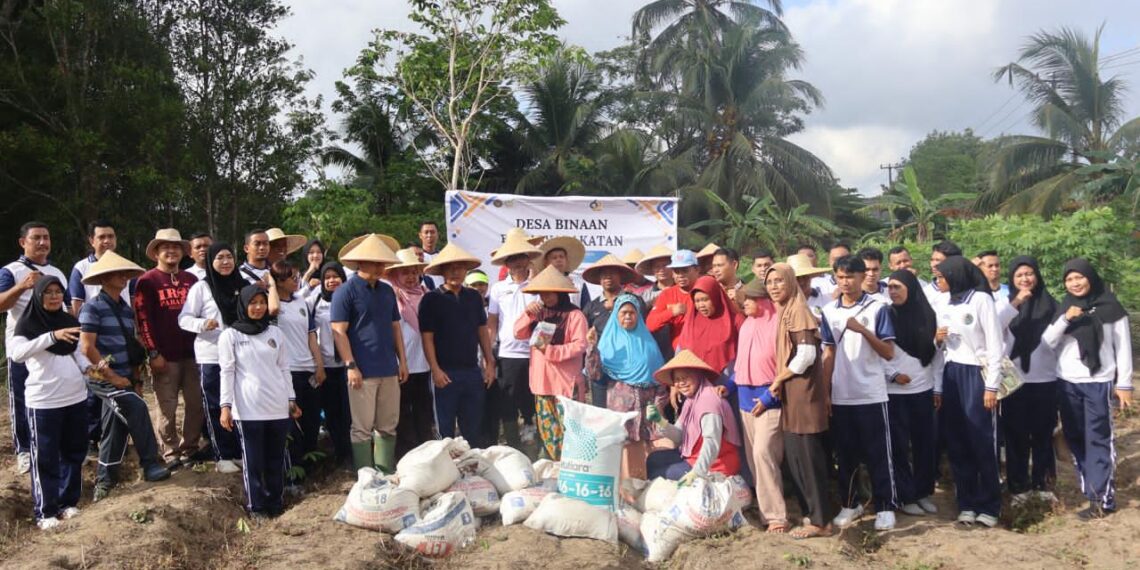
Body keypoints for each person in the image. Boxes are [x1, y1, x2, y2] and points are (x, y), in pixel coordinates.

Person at [1042, 259, 1132, 519]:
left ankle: (1102, 499)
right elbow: (1048, 341)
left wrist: (1124, 384)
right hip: (1067, 381)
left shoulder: (1110, 307)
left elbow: (1123, 347)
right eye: (1069, 280)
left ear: (1090, 277)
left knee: (1099, 438)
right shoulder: (1066, 306)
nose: (1075, 283)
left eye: (1079, 277)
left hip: (1098, 381)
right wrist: (1065, 320)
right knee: (1075, 437)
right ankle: (1090, 489)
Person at [78, 251, 171, 500]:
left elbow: (131, 348)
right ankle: (150, 464)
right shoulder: (92, 308)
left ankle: (105, 481)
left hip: (124, 376)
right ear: (105, 278)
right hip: (103, 379)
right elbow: (87, 347)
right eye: (119, 273)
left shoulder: (126, 311)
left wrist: (136, 380)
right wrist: (112, 377)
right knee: (136, 408)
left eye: (126, 274)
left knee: (114, 426)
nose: (124, 277)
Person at [818, 255, 899, 531]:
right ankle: (850, 504)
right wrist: (827, 391)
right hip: (842, 395)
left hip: (871, 394)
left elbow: (889, 352)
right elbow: (828, 352)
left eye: (850, 276)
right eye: (840, 277)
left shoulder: (880, 308)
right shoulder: (829, 311)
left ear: (862, 276)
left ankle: (886, 506)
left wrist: (862, 330)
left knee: (878, 454)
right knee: (846, 454)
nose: (846, 282)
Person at [10, 277, 89, 529]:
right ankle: (46, 511)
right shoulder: (28, 323)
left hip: (75, 397)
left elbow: (78, 354)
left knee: (73, 452)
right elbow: (17, 354)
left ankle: (68, 503)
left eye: (58, 292)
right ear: (38, 296)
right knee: (45, 456)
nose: (54, 297)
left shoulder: (68, 321)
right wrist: (51, 336)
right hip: (44, 402)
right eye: (48, 293)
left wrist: (93, 369)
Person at [933, 255, 1004, 528]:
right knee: (958, 441)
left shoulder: (981, 300)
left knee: (981, 440)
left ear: (956, 275)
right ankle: (967, 503)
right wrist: (937, 340)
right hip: (952, 374)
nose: (939, 281)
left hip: (977, 373)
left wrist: (992, 386)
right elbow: (941, 351)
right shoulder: (945, 302)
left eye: (942, 276)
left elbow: (995, 345)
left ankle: (990, 504)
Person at [219, 285, 300, 520]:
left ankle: (276, 502)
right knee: (253, 462)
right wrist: (225, 407)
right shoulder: (231, 336)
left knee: (275, 459)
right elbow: (227, 372)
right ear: (243, 305)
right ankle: (256, 507)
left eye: (262, 302)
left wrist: (291, 399)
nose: (258, 307)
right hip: (248, 408)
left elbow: (284, 368)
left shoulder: (275, 333)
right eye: (252, 303)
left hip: (276, 406)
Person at [765, 263, 833, 539]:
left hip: (804, 397)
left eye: (779, 281)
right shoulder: (786, 311)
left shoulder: (799, 311)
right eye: (769, 282)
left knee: (808, 459)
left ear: (791, 282)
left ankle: (822, 521)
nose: (773, 286)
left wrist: (780, 378)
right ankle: (811, 514)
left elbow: (805, 356)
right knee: (796, 459)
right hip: (793, 398)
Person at [331, 235, 408, 473]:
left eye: (383, 263)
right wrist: (351, 365)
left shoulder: (386, 291)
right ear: (361, 262)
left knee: (388, 425)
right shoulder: (345, 291)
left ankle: (385, 471)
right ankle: (364, 475)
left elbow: (395, 327)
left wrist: (402, 362)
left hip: (388, 367)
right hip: (362, 370)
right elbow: (338, 331)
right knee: (362, 427)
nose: (381, 268)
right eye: (376, 263)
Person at [1, 222, 69, 475]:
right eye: (36, 238)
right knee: (21, 400)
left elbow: (66, 308)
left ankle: (56, 448)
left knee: (56, 397)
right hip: (24, 348)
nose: (42, 243)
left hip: (55, 347)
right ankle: (25, 451)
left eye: (46, 237)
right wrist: (22, 286)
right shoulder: (11, 271)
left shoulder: (58, 273)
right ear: (23, 242)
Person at [135, 229, 202, 466]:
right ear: (156, 253)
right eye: (166, 247)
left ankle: (190, 448)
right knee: (167, 406)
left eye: (176, 247)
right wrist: (153, 352)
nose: (171, 251)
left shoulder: (191, 280)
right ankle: (170, 451)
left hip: (194, 354)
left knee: (196, 404)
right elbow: (143, 319)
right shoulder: (147, 281)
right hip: (165, 356)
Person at [179, 242, 246, 473]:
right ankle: (222, 454)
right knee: (216, 404)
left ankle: (239, 452)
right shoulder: (201, 288)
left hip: (241, 355)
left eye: (229, 256)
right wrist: (202, 324)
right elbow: (184, 318)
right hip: (212, 355)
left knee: (239, 403)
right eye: (220, 258)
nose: (226, 262)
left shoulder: (242, 285)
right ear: (210, 262)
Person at [419, 244, 494, 445]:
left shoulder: (473, 298)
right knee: (445, 431)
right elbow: (427, 337)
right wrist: (435, 369)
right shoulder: (431, 299)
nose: (455, 272)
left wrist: (489, 362)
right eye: (450, 268)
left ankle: (471, 471)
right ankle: (448, 471)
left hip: (471, 370)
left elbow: (482, 331)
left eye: (460, 267)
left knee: (473, 428)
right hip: (445, 373)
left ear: (465, 271)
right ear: (442, 271)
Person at [514, 266, 588, 460]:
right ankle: (556, 465)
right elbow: (518, 333)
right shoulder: (537, 313)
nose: (545, 296)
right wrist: (528, 314)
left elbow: (580, 344)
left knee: (571, 429)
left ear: (560, 292)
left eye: (550, 292)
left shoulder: (574, 315)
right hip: (542, 381)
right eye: (542, 293)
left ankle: (573, 466)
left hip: (566, 382)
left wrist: (552, 351)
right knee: (549, 431)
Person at [1002, 256, 1059, 504]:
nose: (1025, 279)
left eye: (1029, 273)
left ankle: (1044, 485)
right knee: (1016, 436)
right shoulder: (1006, 305)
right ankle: (1018, 488)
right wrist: (1016, 302)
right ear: (1012, 280)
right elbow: (994, 327)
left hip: (1046, 380)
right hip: (1015, 381)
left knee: (1043, 435)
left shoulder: (1052, 306)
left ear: (1037, 275)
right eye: (1019, 275)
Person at [884, 270, 942, 516]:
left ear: (911, 288)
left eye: (898, 287)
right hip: (894, 391)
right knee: (898, 445)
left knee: (924, 444)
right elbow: (877, 350)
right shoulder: (885, 315)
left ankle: (922, 492)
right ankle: (905, 496)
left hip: (923, 388)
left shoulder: (928, 315)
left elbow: (937, 355)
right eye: (891, 287)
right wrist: (893, 374)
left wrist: (937, 387)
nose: (893, 291)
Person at [734, 278, 787, 533]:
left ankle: (777, 515)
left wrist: (769, 397)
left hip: (769, 398)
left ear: (763, 301)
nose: (744, 304)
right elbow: (740, 364)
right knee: (754, 459)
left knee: (764, 453)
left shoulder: (779, 324)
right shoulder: (746, 325)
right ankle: (766, 510)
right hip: (745, 399)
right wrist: (728, 384)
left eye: (749, 300)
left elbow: (787, 367)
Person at [597, 293, 665, 480]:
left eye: (632, 313)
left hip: (646, 407)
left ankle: (641, 487)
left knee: (646, 446)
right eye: (623, 313)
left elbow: (659, 377)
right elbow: (595, 374)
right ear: (616, 316)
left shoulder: (648, 343)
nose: (628, 316)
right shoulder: (607, 343)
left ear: (638, 316)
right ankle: (622, 488)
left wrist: (658, 405)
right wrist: (591, 349)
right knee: (621, 445)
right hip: (621, 407)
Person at [645, 350, 741, 482]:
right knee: (653, 460)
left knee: (661, 473)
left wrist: (697, 472)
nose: (681, 383)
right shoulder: (690, 401)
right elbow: (679, 436)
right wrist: (660, 421)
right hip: (693, 458)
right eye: (677, 380)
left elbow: (711, 443)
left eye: (686, 377)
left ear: (698, 376)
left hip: (716, 465)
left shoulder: (709, 399)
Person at [486, 228, 544, 448]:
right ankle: (512, 444)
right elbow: (492, 321)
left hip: (535, 352)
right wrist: (488, 352)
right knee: (507, 400)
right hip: (507, 352)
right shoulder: (498, 288)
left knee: (532, 397)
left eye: (522, 258)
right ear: (506, 264)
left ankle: (534, 442)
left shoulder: (538, 285)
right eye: (513, 259)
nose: (518, 263)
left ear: (528, 260)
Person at [269, 261, 323, 482]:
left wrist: (319, 365)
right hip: (288, 372)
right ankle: (293, 471)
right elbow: (272, 309)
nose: (297, 281)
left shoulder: (301, 301)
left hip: (308, 368)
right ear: (280, 281)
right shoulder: (272, 307)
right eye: (292, 278)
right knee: (293, 422)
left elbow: (311, 335)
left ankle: (311, 466)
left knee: (312, 420)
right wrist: (271, 285)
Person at [384, 249, 435, 458]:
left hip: (424, 363)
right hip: (402, 364)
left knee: (424, 408)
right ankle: (406, 453)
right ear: (396, 274)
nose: (411, 277)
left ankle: (427, 449)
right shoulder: (391, 297)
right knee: (403, 411)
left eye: (414, 272)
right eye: (405, 272)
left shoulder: (426, 296)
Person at [582, 254, 645, 407]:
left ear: (621, 276)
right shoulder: (592, 306)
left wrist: (618, 306)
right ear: (599, 279)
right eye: (603, 274)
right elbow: (586, 338)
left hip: (629, 368)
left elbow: (641, 330)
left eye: (612, 273)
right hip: (601, 367)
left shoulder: (635, 301)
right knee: (601, 414)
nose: (608, 277)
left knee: (627, 415)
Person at [311, 261, 352, 467]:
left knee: (349, 411)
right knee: (332, 412)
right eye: (327, 277)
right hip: (326, 365)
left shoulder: (351, 298)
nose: (331, 280)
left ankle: (353, 453)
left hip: (348, 365)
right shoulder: (315, 300)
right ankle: (339, 453)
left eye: (336, 276)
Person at [677, 275, 742, 378]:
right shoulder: (691, 323)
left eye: (705, 299)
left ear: (715, 297)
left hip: (728, 383)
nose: (701, 305)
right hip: (696, 384)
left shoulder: (735, 320)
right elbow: (680, 354)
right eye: (697, 301)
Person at [68, 219, 130, 315]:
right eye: (101, 237)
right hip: (94, 326)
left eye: (111, 236)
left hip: (125, 325)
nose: (107, 241)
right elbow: (76, 307)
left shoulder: (127, 266)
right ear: (91, 241)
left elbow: (134, 301)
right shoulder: (81, 268)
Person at [646, 250, 701, 353]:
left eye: (685, 270)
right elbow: (650, 325)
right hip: (681, 354)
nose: (680, 275)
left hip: (705, 349)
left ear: (697, 269)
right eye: (676, 271)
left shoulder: (706, 289)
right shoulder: (667, 294)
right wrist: (671, 312)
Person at [538, 236, 590, 307]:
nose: (559, 260)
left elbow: (587, 310)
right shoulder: (539, 284)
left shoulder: (579, 284)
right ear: (546, 263)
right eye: (554, 258)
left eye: (561, 257)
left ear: (566, 260)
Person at [784, 254, 831, 321]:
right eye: (797, 278)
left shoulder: (826, 299)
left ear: (811, 277)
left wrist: (819, 322)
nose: (802, 282)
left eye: (805, 277)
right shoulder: (784, 303)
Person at [633, 244, 675, 309]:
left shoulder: (683, 290)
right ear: (652, 269)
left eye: (665, 265)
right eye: (657, 266)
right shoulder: (644, 296)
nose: (661, 270)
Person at [926, 240, 962, 306]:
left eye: (938, 260)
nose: (933, 264)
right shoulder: (927, 292)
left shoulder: (968, 290)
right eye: (932, 260)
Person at [418, 221, 444, 289]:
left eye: (432, 232)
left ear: (438, 234)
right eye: (426, 232)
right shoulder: (416, 257)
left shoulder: (444, 257)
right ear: (420, 235)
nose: (429, 235)